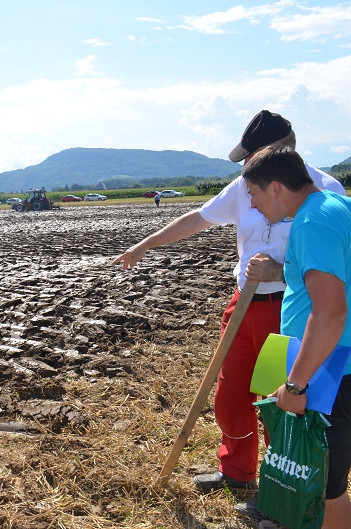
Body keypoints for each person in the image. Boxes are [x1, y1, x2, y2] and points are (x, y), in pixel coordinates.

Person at [112, 110, 345, 493]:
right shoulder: (244, 186)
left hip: (288, 310)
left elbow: (331, 268)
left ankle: (281, 484)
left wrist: (278, 270)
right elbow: (200, 217)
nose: (246, 169)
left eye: (252, 156)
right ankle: (237, 472)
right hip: (244, 304)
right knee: (231, 392)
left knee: (279, 397)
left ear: (277, 151)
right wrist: (146, 244)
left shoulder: (323, 191)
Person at [243, 145, 351, 529]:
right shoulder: (337, 206)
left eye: (254, 194)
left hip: (329, 372)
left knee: (325, 487)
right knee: (326, 480)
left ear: (275, 187)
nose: (252, 204)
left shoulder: (311, 223)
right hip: (333, 364)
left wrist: (296, 384)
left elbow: (330, 313)